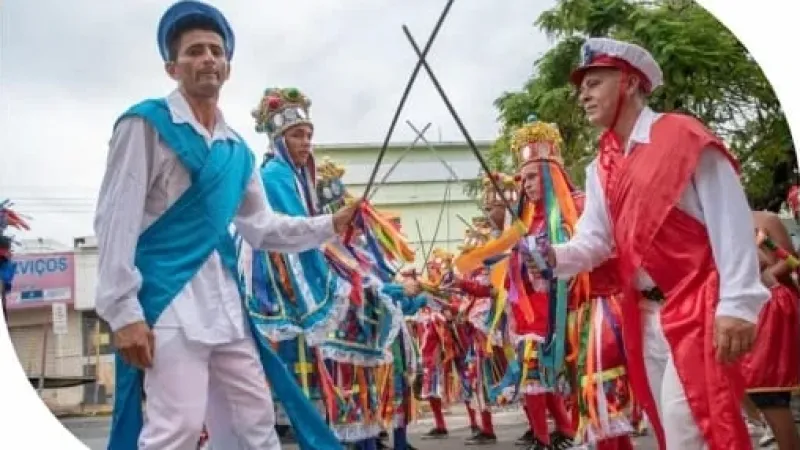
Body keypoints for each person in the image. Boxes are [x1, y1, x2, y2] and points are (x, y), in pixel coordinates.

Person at [93, 2, 357, 449]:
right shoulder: (145, 124)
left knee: (254, 425)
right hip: (168, 303)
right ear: (172, 67)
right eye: (195, 51)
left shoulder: (238, 149)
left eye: (216, 51)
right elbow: (114, 220)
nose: (208, 58)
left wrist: (331, 223)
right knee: (176, 427)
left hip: (226, 305)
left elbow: (262, 228)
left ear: (228, 68)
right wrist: (123, 312)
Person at [549, 37, 771, 449]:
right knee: (669, 429)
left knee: (695, 427)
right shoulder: (601, 166)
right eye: (583, 86)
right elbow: (594, 242)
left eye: (594, 82)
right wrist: (548, 257)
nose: (583, 94)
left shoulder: (682, 136)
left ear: (630, 83)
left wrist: (739, 303)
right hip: (644, 313)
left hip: (700, 305)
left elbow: (731, 220)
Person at [741, 211, 800, 449]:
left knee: (770, 394)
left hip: (772, 310)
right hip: (744, 312)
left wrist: (755, 283)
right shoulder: (713, 220)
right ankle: (765, 425)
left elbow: (790, 261)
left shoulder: (764, 221)